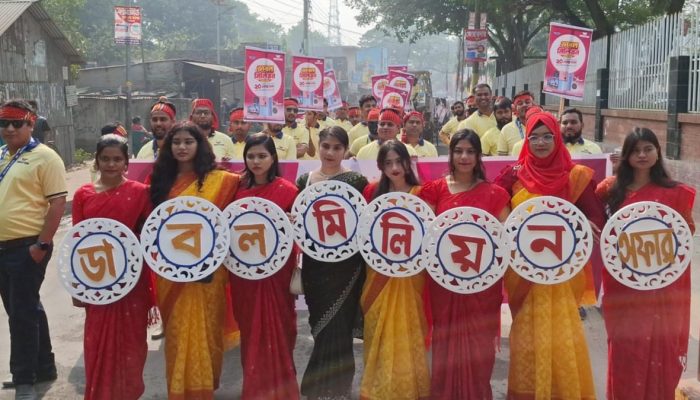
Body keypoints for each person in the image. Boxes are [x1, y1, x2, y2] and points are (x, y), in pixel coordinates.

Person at [494, 111, 605, 400]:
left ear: (557, 139)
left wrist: (581, 222)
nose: (541, 142)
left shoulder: (576, 176)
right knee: (526, 333)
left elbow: (595, 219)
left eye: (547, 137)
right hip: (524, 273)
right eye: (534, 137)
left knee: (561, 333)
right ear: (526, 140)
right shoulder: (513, 175)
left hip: (561, 272)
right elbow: (493, 209)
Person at [595, 128, 696, 400]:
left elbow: (685, 233)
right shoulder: (609, 189)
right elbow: (599, 226)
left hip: (661, 283)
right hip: (623, 283)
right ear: (626, 156)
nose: (642, 155)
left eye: (648, 149)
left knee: (660, 346)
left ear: (657, 152)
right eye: (635, 150)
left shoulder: (676, 193)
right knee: (625, 346)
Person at [149, 121, 241, 399]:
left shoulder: (222, 181)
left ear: (200, 145)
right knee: (177, 333)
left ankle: (204, 388)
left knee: (208, 331)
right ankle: (180, 390)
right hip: (171, 271)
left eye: (188, 141)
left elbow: (244, 204)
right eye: (176, 142)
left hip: (209, 271)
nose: (182, 147)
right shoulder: (158, 181)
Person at [419, 129, 510, 399]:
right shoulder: (434, 190)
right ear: (451, 154)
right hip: (445, 283)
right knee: (445, 340)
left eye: (470, 151)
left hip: (481, 285)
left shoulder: (494, 193)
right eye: (458, 151)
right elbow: (423, 234)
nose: (464, 157)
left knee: (479, 345)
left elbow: (506, 238)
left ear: (479, 156)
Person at [71, 134, 153, 400]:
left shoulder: (140, 193)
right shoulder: (83, 194)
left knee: (132, 340)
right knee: (97, 339)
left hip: (131, 278)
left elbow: (150, 234)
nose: (111, 164)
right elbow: (76, 243)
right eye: (105, 159)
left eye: (117, 159)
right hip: (97, 279)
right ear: (96, 161)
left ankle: (129, 393)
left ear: (126, 162)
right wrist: (76, 286)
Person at [296, 126, 368, 399]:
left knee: (340, 327)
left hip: (347, 266)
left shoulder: (357, 181)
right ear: (319, 146)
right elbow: (297, 218)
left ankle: (338, 388)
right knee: (320, 325)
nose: (330, 152)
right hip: (315, 265)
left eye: (337, 147)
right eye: (326, 146)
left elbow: (366, 221)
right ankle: (321, 386)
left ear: (345, 151)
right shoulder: (304, 181)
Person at [0, 100, 66, 399]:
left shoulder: (46, 157)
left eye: (17, 123)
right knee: (24, 307)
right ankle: (44, 365)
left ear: (30, 123)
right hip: (3, 248)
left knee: (21, 314)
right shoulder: (2, 154)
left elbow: (58, 203)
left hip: (27, 246)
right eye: (4, 123)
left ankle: (24, 378)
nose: (9, 129)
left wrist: (42, 245)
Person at [229, 132, 300, 400]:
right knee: (251, 331)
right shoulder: (235, 190)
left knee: (281, 328)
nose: (256, 161)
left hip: (277, 273)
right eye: (251, 156)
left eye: (262, 156)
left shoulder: (288, 190)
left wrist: (291, 221)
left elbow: (299, 233)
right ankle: (255, 390)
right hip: (244, 275)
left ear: (273, 158)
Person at [360, 140, 430, 399]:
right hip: (377, 273)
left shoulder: (422, 194)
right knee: (376, 327)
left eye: (399, 161)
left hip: (411, 275)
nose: (394, 167)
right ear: (381, 166)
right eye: (388, 163)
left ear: (407, 163)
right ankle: (377, 389)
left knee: (407, 331)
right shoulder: (371, 192)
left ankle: (407, 389)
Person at [498, 91, 534, 156]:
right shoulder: (506, 129)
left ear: (533, 105)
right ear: (515, 108)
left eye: (527, 102)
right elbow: (502, 158)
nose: (524, 105)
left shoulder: (543, 127)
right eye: (520, 103)